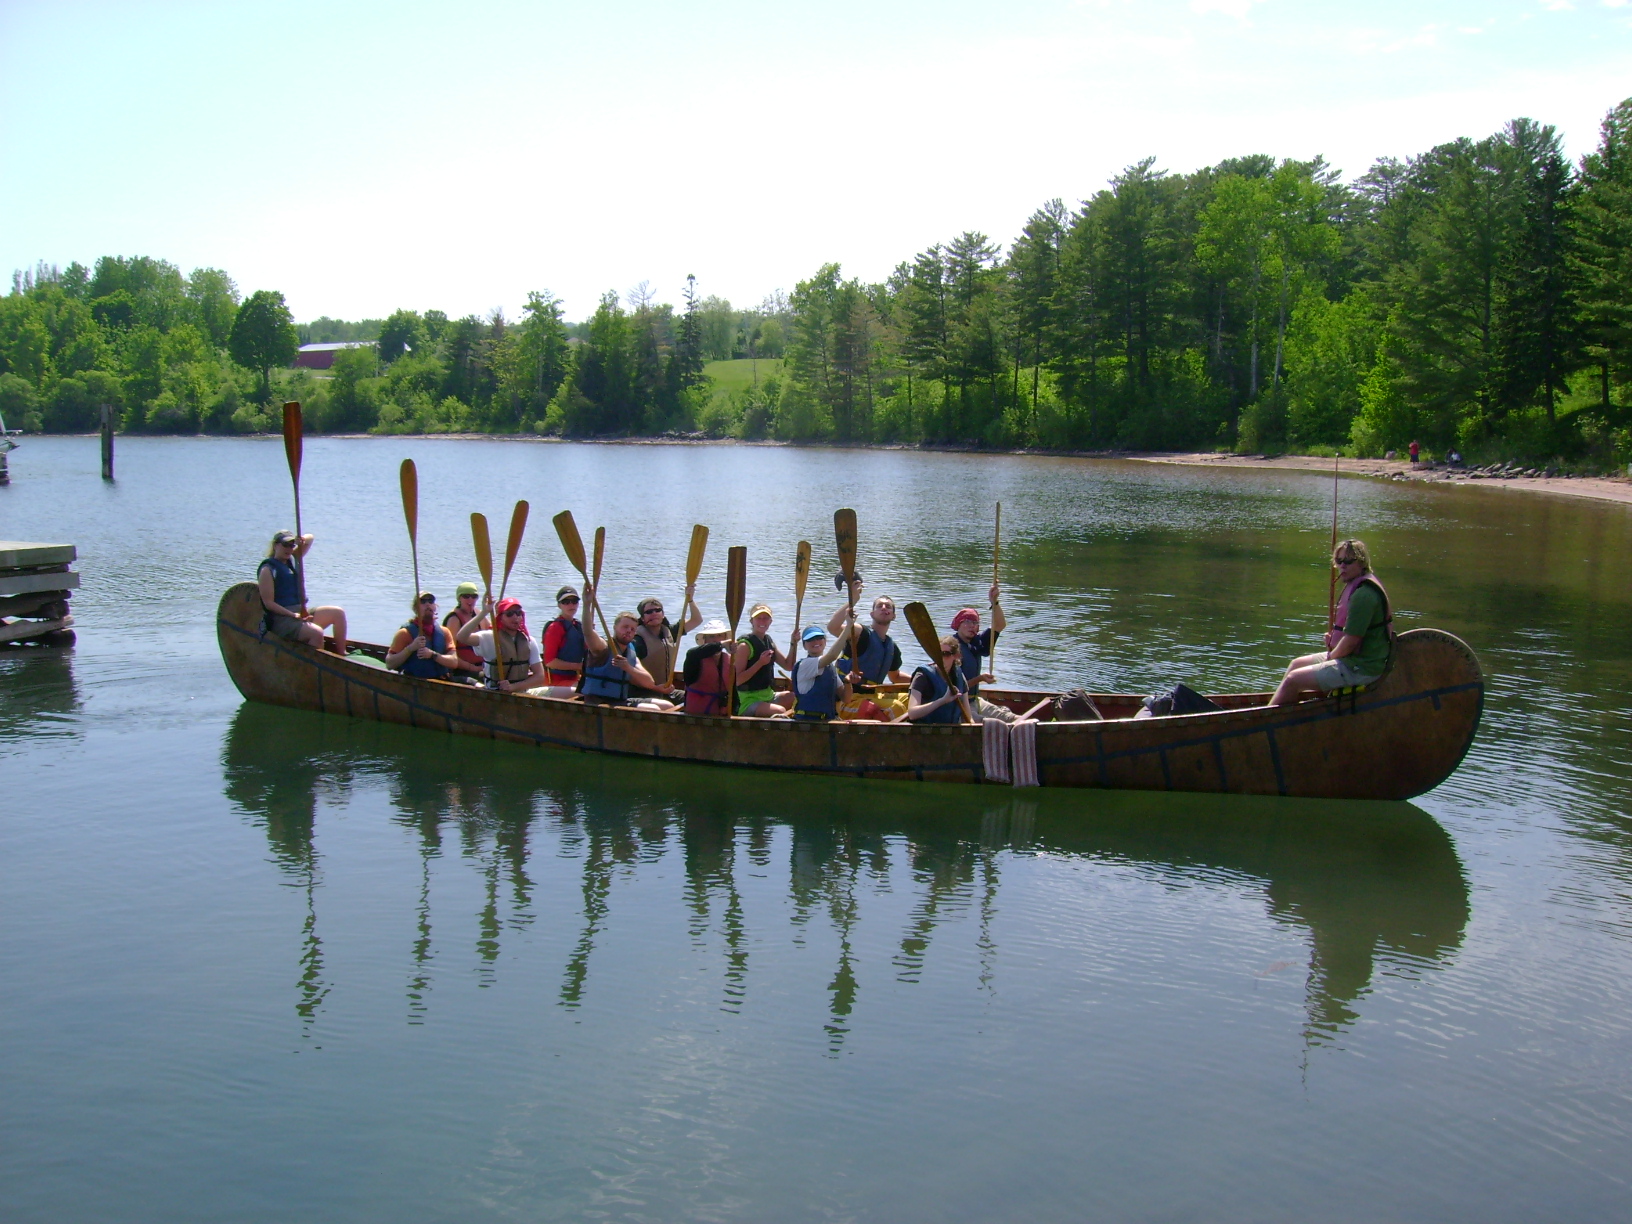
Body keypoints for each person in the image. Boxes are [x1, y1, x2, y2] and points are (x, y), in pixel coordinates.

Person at [1270, 539, 1393, 706]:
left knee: (1293, 680)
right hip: (1351, 658)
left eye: (1349, 561)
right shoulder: (1357, 585)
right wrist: (1334, 640)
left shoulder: (1363, 595)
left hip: (1362, 667)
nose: (1343, 566)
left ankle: (1270, 723)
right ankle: (1282, 705)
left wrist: (1330, 659)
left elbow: (1351, 642)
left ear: (1362, 562)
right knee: (1296, 664)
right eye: (1339, 561)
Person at [257, 530, 348, 655]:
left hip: (301, 612)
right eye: (285, 545)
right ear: (275, 545)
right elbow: (268, 603)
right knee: (316, 633)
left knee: (338, 613)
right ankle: (313, 668)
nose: (289, 549)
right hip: (281, 619)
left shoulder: (293, 559)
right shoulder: (267, 570)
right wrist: (292, 615)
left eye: (292, 545)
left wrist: (301, 540)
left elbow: (310, 538)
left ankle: (342, 654)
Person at [579, 595, 674, 710]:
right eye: (625, 627)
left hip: (621, 700)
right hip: (599, 701)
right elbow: (588, 632)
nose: (629, 631)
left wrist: (628, 667)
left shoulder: (630, 651)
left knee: (666, 705)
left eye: (633, 629)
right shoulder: (603, 646)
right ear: (615, 627)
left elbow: (649, 682)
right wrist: (586, 604)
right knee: (653, 709)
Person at [455, 595, 549, 693]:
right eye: (509, 614)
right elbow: (462, 637)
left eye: (518, 613)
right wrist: (484, 613)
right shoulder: (491, 638)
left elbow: (540, 677)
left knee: (566, 692)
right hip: (495, 693)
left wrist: (513, 687)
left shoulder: (529, 640)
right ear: (500, 618)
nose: (515, 617)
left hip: (522, 694)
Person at [951, 584, 1014, 721]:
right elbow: (955, 687)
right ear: (958, 625)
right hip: (958, 704)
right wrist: (980, 679)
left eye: (975, 623)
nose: (972, 626)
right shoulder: (951, 647)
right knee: (989, 724)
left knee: (1010, 718)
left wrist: (994, 602)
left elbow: (999, 625)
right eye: (967, 622)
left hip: (975, 700)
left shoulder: (976, 642)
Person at [826, 581, 908, 684]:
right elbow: (833, 628)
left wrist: (924, 678)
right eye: (879, 606)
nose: (883, 608)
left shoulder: (892, 648)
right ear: (872, 614)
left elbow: (896, 677)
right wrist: (854, 599)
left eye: (888, 606)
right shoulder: (860, 632)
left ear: (893, 616)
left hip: (872, 695)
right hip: (846, 693)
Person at [632, 588, 701, 703]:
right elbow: (630, 673)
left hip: (667, 690)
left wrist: (690, 599)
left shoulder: (670, 632)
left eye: (657, 610)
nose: (654, 613)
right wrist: (654, 688)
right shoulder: (637, 641)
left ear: (663, 614)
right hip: (643, 692)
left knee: (697, 699)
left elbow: (697, 620)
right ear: (643, 619)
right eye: (649, 612)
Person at [733, 603, 792, 717]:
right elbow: (737, 680)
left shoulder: (768, 641)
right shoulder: (744, 646)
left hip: (767, 695)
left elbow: (788, 666)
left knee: (795, 698)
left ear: (770, 621)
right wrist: (759, 663)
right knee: (780, 711)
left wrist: (793, 643)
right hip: (746, 700)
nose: (762, 622)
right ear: (752, 621)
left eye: (766, 618)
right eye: (758, 618)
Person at [386, 592, 460, 679]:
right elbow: (389, 664)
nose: (427, 604)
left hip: (441, 681)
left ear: (435, 607)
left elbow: (454, 662)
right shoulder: (405, 633)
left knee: (474, 683)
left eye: (430, 601)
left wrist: (433, 655)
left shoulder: (444, 632)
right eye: (423, 601)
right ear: (415, 608)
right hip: (416, 682)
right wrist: (411, 648)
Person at [788, 626, 850, 721]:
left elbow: (846, 698)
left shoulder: (830, 668)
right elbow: (832, 655)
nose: (816, 642)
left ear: (825, 642)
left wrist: (848, 682)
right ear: (804, 646)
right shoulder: (805, 664)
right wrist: (848, 628)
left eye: (819, 638)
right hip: (807, 722)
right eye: (810, 639)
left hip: (827, 721)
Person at [906, 634, 971, 724]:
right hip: (924, 732)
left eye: (945, 654)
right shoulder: (922, 676)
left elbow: (968, 717)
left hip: (951, 733)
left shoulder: (960, 677)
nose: (940, 658)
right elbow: (912, 713)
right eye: (937, 653)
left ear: (956, 656)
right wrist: (943, 700)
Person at [682, 619, 735, 715]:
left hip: (721, 715)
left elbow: (734, 692)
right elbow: (692, 653)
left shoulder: (730, 660)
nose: (716, 639)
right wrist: (721, 645)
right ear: (705, 640)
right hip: (696, 716)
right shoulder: (694, 659)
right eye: (711, 636)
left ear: (725, 637)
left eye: (720, 635)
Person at [542, 585, 588, 692]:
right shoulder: (555, 628)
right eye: (566, 602)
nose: (571, 605)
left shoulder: (579, 626)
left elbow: (590, 651)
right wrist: (578, 666)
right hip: (555, 682)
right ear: (559, 605)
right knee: (585, 690)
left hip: (575, 678)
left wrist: (590, 634)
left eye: (574, 601)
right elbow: (549, 662)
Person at [441, 582, 486, 682]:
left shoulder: (478, 614)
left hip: (481, 667)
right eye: (466, 596)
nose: (470, 600)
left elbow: (493, 635)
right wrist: (473, 668)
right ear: (459, 598)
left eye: (474, 596)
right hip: (461, 670)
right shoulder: (454, 619)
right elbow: (451, 653)